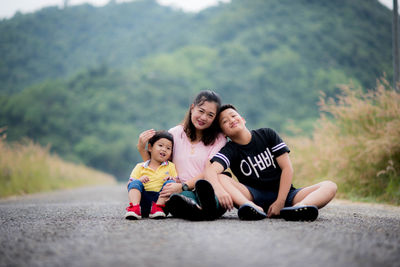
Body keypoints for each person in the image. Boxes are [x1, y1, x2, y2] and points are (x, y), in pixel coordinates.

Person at [204, 104, 337, 221]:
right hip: (254, 196)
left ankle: (298, 209)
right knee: (222, 177)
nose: (231, 120)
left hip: (286, 194)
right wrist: (219, 191)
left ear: (243, 119)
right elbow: (211, 171)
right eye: (225, 121)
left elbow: (287, 168)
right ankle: (248, 207)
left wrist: (281, 201)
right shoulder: (230, 149)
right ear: (224, 133)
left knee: (329, 186)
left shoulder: (267, 134)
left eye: (233, 116)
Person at [137, 90, 227, 220]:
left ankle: (204, 209)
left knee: (207, 193)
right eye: (201, 111)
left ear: (214, 119)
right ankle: (203, 211)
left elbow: (210, 169)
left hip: (207, 187)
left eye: (210, 115)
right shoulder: (175, 133)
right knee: (176, 199)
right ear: (192, 108)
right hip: (181, 190)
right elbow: (157, 164)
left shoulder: (219, 139)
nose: (203, 118)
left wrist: (183, 186)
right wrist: (141, 148)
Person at [125, 131, 177, 220]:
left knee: (171, 183)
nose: (164, 149)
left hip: (160, 201)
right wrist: (139, 180)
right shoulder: (140, 167)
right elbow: (129, 185)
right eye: (160, 145)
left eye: (168, 148)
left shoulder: (170, 166)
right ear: (150, 147)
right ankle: (135, 208)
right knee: (134, 183)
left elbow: (176, 182)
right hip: (143, 200)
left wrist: (172, 179)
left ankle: (158, 207)